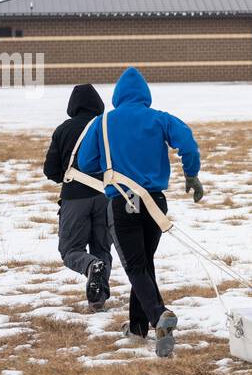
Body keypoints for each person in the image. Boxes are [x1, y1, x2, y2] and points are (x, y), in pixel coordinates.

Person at [77, 67, 202, 357]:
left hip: (122, 201)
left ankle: (159, 315)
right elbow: (188, 142)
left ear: (117, 97)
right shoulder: (160, 118)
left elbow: (86, 162)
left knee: (135, 267)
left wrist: (114, 163)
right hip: (155, 202)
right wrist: (191, 175)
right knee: (144, 264)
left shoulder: (103, 122)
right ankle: (137, 327)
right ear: (145, 95)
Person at [43, 84, 112, 310]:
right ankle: (97, 300)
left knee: (71, 250)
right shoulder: (107, 127)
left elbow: (50, 170)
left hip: (75, 198)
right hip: (105, 196)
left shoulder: (63, 130)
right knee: (102, 248)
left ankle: (91, 266)